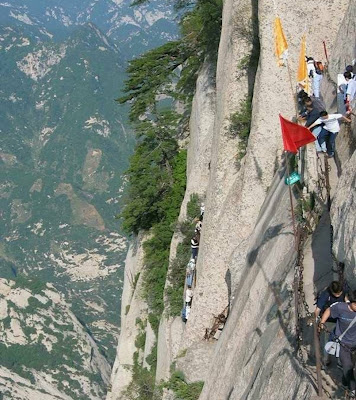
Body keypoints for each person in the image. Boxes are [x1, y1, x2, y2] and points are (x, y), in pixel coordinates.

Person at [320, 290, 356, 396]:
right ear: (351, 302)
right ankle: (353, 390)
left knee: (349, 366)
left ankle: (345, 383)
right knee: (348, 366)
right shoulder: (341, 307)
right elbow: (329, 310)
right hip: (343, 343)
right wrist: (322, 322)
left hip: (354, 342)